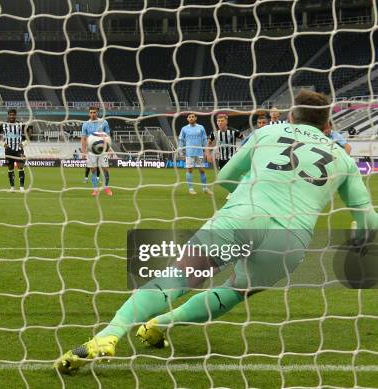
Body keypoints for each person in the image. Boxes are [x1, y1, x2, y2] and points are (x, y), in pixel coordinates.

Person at [54, 89, 377, 375]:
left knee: (176, 278)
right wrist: (360, 237)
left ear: (292, 116)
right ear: (328, 126)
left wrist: (249, 195)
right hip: (291, 239)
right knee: (238, 290)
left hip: (242, 216)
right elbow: (367, 219)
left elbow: (224, 177)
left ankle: (107, 336)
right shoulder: (342, 158)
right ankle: (161, 325)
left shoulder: (268, 132)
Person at [0, 108, 33, 192]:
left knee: (20, 167)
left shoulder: (20, 124)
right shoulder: (3, 125)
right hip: (8, 150)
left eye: (13, 114)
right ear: (8, 115)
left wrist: (24, 143)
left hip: (18, 149)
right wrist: (2, 144)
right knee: (10, 168)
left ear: (15, 115)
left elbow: (29, 130)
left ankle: (22, 187)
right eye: (10, 114)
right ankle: (12, 187)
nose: (12, 116)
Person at [207, 113, 244, 199]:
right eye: (218, 121)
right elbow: (208, 143)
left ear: (226, 121)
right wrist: (208, 154)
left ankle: (233, 192)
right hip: (221, 158)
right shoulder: (215, 133)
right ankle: (236, 188)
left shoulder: (234, 131)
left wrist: (241, 149)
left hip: (232, 158)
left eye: (222, 120)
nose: (220, 122)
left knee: (231, 175)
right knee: (223, 178)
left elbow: (244, 139)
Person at [178, 112, 212, 195]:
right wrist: (181, 152)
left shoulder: (201, 127)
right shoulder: (184, 129)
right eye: (189, 117)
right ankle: (191, 189)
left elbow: (204, 139)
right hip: (189, 153)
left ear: (196, 118)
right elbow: (181, 140)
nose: (191, 118)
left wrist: (206, 151)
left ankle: (204, 188)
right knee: (189, 170)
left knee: (202, 170)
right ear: (187, 119)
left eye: (193, 117)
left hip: (199, 152)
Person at [81, 106, 111, 196]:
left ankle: (106, 187)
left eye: (94, 112)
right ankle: (95, 189)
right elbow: (83, 138)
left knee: (105, 169)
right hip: (91, 150)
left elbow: (108, 136)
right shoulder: (85, 124)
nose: (93, 114)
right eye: (91, 112)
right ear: (89, 113)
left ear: (97, 113)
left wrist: (108, 149)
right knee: (93, 169)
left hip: (102, 150)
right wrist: (83, 151)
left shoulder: (104, 122)